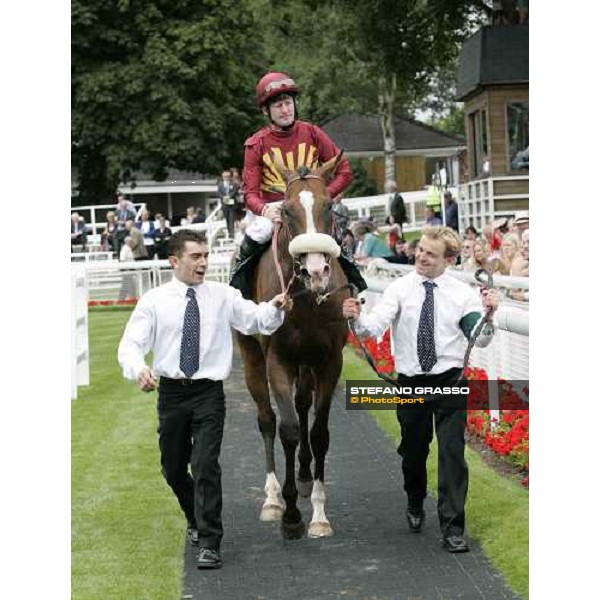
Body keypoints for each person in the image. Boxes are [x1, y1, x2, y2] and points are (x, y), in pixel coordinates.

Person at [117, 230, 289, 569]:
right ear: (175, 261)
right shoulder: (154, 300)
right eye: (196, 256)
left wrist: (274, 308)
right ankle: (195, 517)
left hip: (208, 394)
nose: (204, 263)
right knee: (173, 469)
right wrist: (138, 369)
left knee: (206, 465)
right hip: (171, 394)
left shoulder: (223, 295)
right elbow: (130, 345)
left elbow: (256, 319)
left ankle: (210, 542)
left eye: (206, 256)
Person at [342, 226, 500, 553]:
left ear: (450, 259)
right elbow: (373, 328)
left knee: (453, 454)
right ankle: (415, 498)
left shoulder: (462, 294)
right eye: (421, 250)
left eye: (430, 253)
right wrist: (356, 318)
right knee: (413, 452)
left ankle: (453, 528)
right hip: (411, 383)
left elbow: (479, 338)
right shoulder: (401, 288)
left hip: (450, 382)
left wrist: (488, 316)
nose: (421, 257)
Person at [230, 71, 366, 298]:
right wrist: (265, 209)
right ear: (266, 111)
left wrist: (320, 199)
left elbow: (344, 172)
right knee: (254, 237)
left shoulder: (313, 133)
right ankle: (238, 293)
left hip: (311, 207)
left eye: (288, 103)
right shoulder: (256, 144)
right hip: (274, 209)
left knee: (338, 238)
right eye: (278, 106)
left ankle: (355, 287)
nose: (285, 110)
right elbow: (250, 194)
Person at [217, 169, 237, 238]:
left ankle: (232, 234)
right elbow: (219, 193)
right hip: (224, 205)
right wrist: (224, 198)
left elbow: (234, 192)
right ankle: (228, 233)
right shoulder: (220, 185)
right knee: (226, 220)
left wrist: (229, 197)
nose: (226, 178)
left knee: (231, 219)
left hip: (232, 205)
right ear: (222, 177)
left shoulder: (233, 184)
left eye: (227, 176)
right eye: (225, 176)